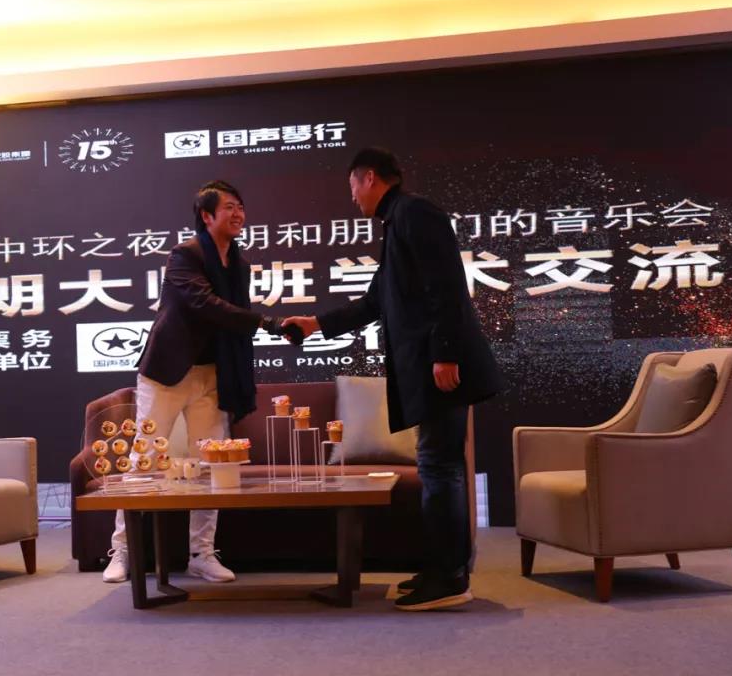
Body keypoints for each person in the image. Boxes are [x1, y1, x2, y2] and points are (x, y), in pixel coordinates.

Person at [284, 148, 502, 611]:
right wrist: (315, 324)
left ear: (369, 178)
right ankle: (443, 568)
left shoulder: (415, 213)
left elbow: (447, 285)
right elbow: (374, 303)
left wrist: (445, 354)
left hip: (440, 368)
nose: (352, 198)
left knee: (440, 467)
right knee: (436, 465)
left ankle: (449, 578)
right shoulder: (397, 223)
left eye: (352, 187)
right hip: (427, 368)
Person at [103, 180, 301, 583]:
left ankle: (201, 553)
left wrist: (263, 326)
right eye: (228, 207)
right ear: (207, 216)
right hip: (167, 374)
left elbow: (231, 317)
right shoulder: (185, 255)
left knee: (213, 465)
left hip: (213, 375)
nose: (238, 213)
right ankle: (123, 550)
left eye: (240, 206)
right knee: (145, 460)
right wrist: (268, 323)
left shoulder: (239, 265)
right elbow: (204, 304)